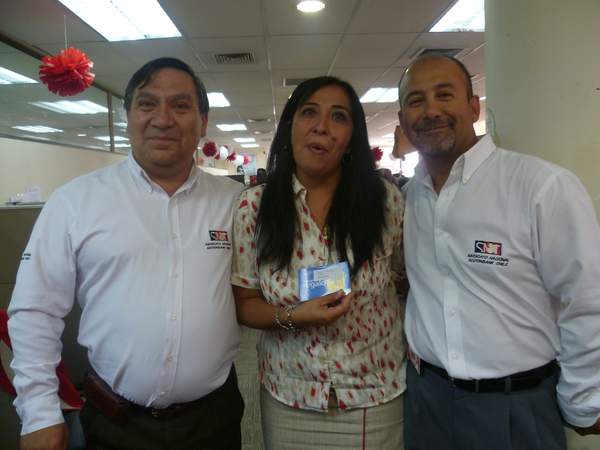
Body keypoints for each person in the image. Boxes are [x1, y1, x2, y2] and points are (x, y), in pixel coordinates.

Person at [8, 57, 244, 450]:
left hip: (213, 420)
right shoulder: (75, 201)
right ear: (128, 116)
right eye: (147, 104)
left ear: (203, 121)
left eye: (180, 105)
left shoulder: (236, 202)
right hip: (115, 423)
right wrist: (38, 412)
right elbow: (35, 311)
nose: (163, 119)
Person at [398, 54, 600, 450]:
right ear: (404, 120)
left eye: (445, 94)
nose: (431, 110)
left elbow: (587, 299)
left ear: (474, 107)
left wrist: (585, 399)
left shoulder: (541, 186)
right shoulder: (409, 199)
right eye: (416, 100)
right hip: (426, 403)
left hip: (516, 407)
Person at [231, 76, 406, 449]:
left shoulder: (386, 201)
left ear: (351, 138)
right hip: (290, 395)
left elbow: (406, 276)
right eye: (309, 112)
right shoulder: (254, 207)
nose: (322, 126)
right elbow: (245, 303)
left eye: (338, 116)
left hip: (374, 394)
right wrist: (295, 316)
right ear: (290, 126)